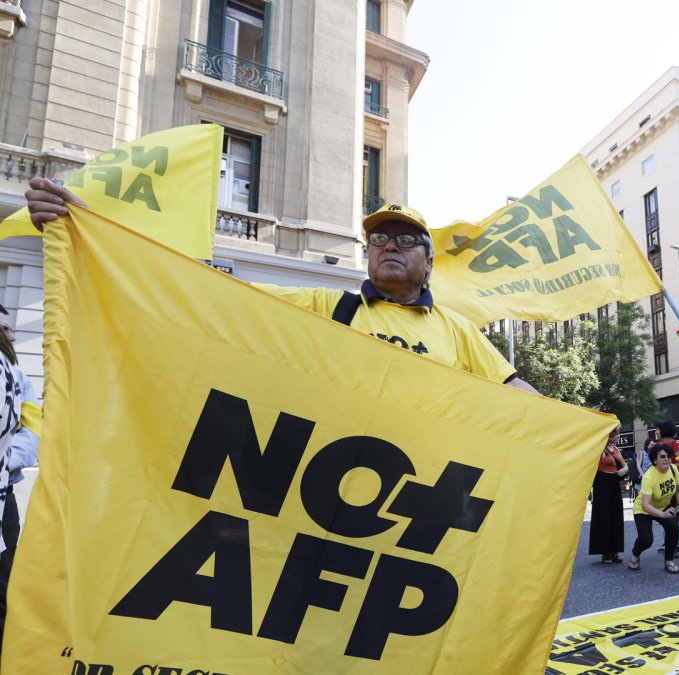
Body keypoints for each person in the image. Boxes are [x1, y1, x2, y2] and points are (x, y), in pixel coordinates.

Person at [23, 179, 536, 392]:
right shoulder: (325, 306)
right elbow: (211, 297)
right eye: (379, 238)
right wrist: (94, 236)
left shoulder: (456, 331)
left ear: (428, 262)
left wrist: (578, 432)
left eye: (405, 239)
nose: (389, 246)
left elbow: (516, 393)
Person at [0, 307, 38, 650]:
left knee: (5, 580)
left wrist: (7, 459)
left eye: (12, 327)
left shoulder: (16, 374)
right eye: (4, 328)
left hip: (3, 491)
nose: (11, 335)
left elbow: (33, 423)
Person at [628, 444, 679, 574]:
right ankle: (635, 554)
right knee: (646, 540)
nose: (667, 459)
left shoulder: (673, 469)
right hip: (644, 509)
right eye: (663, 457)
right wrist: (662, 514)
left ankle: (669, 561)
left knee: (673, 528)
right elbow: (646, 505)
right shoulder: (649, 477)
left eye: (669, 456)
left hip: (664, 505)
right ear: (655, 460)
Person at [590, 427, 628, 564]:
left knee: (616, 516)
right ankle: (606, 552)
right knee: (604, 518)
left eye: (618, 433)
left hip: (614, 484)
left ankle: (615, 551)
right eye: (615, 434)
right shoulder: (599, 449)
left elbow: (625, 465)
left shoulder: (616, 450)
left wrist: (624, 470)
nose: (618, 436)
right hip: (602, 484)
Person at [655, 420, 679, 556]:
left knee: (677, 511)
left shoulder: (676, 445)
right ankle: (668, 542)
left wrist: (667, 468)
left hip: (676, 483)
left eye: (657, 429)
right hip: (661, 483)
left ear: (664, 430)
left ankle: (678, 545)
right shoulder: (656, 446)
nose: (655, 432)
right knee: (665, 512)